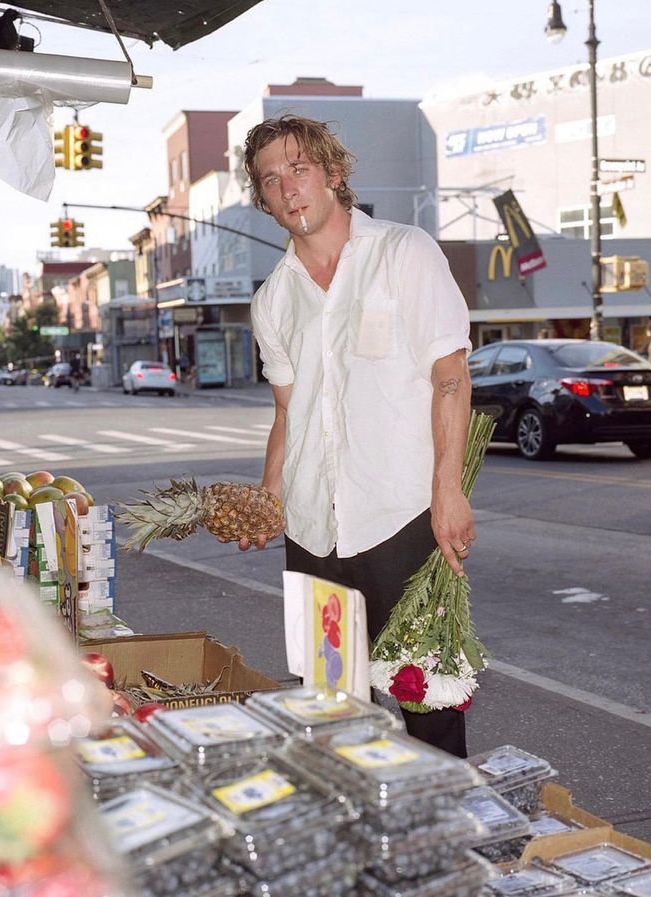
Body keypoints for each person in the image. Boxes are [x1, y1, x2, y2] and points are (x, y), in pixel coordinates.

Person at [239, 115, 475, 758]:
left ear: (333, 174)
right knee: (331, 708)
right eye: (270, 180)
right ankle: (358, 842)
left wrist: (448, 490)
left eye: (299, 169)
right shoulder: (273, 299)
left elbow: (449, 374)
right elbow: (287, 411)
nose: (287, 188)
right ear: (262, 200)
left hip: (401, 519)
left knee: (428, 697)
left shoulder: (404, 252)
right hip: (313, 529)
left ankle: (442, 836)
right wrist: (269, 496)